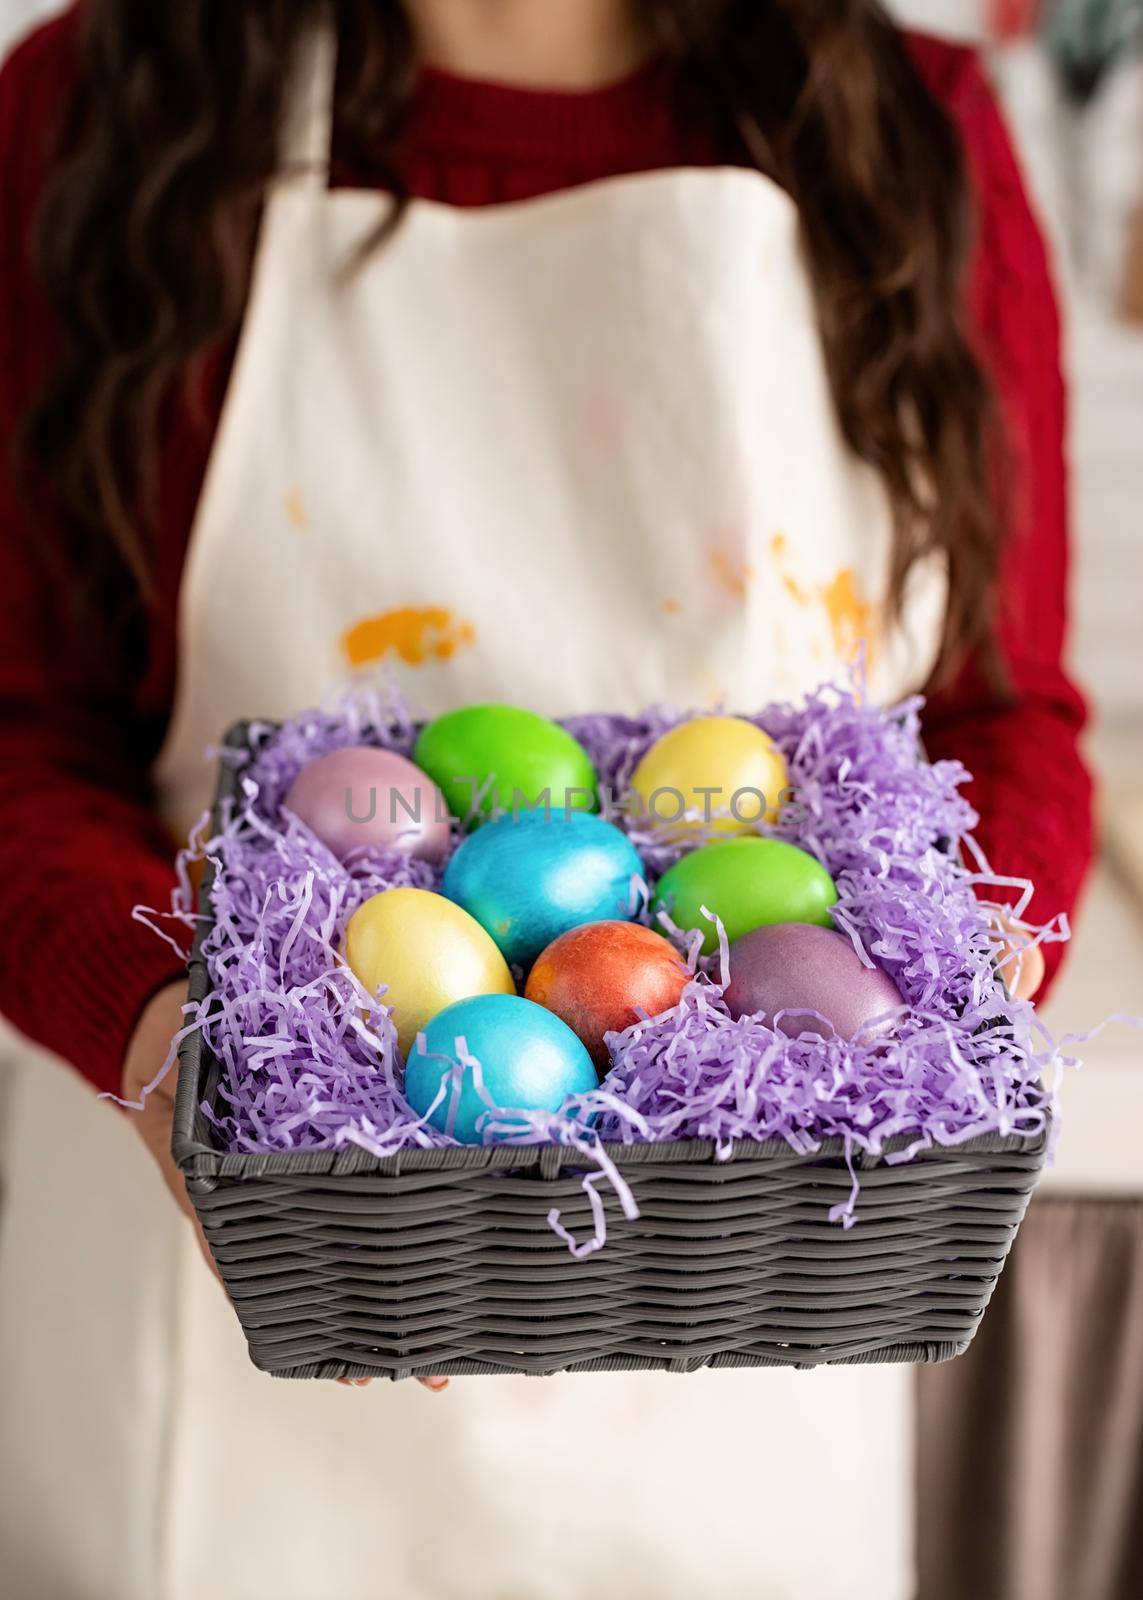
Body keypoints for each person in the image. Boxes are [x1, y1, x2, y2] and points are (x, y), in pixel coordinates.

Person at [0, 2, 1092, 1597]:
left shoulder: (917, 134)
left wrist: (964, 965)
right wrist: (170, 1035)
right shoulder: (94, 109)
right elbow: (22, 728)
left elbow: (1011, 720)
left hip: (754, 1320)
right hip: (235, 1307)